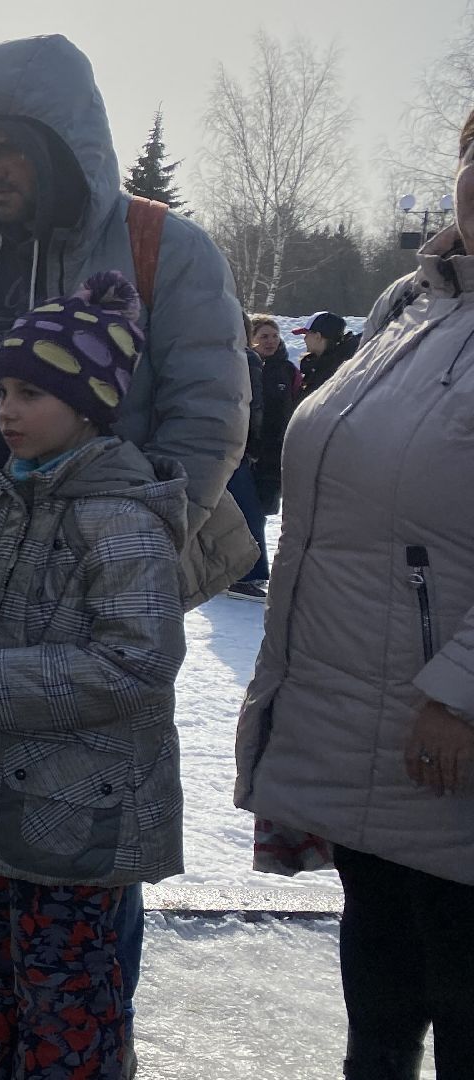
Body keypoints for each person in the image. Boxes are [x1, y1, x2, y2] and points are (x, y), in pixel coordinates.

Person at [0, 33, 250, 1021]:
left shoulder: (165, 249)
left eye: (6, 149)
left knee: (86, 782)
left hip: (91, 580)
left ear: (61, 143)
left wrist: (131, 555)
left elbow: (209, 419)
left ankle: (89, 1007)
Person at [235, 110, 474, 1080]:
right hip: (369, 717)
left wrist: (460, 694)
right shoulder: (413, 305)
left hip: (448, 731)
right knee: (380, 996)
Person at [0, 271, 185, 1080]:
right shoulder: (14, 500)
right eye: (2, 391)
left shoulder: (119, 515)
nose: (6, 410)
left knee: (65, 1003)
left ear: (91, 405)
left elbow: (135, 663)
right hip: (1, 804)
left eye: (30, 393)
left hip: (78, 817)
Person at [225, 317, 270, 600]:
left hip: (220, 443)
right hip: (235, 444)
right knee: (246, 511)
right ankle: (246, 574)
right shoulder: (244, 358)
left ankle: (232, 571)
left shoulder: (232, 357)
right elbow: (253, 408)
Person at [249, 315, 297, 513]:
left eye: (275, 336)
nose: (271, 341)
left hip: (274, 453)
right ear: (251, 338)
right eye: (264, 336)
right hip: (246, 452)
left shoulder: (287, 370)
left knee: (264, 511)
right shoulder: (243, 366)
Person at [293, 310, 358, 400]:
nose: (305, 339)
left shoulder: (330, 372)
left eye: (307, 334)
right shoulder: (320, 366)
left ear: (318, 336)